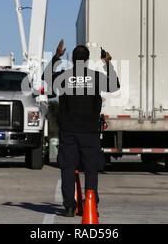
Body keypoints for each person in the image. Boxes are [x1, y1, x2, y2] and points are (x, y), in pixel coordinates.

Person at [43, 40, 120, 217]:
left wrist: (56, 57)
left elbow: (46, 78)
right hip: (90, 131)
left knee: (68, 168)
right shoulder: (95, 77)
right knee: (91, 169)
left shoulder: (64, 76)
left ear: (73, 59)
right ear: (86, 60)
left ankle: (69, 207)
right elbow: (114, 85)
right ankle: (91, 204)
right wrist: (107, 63)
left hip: (68, 131)